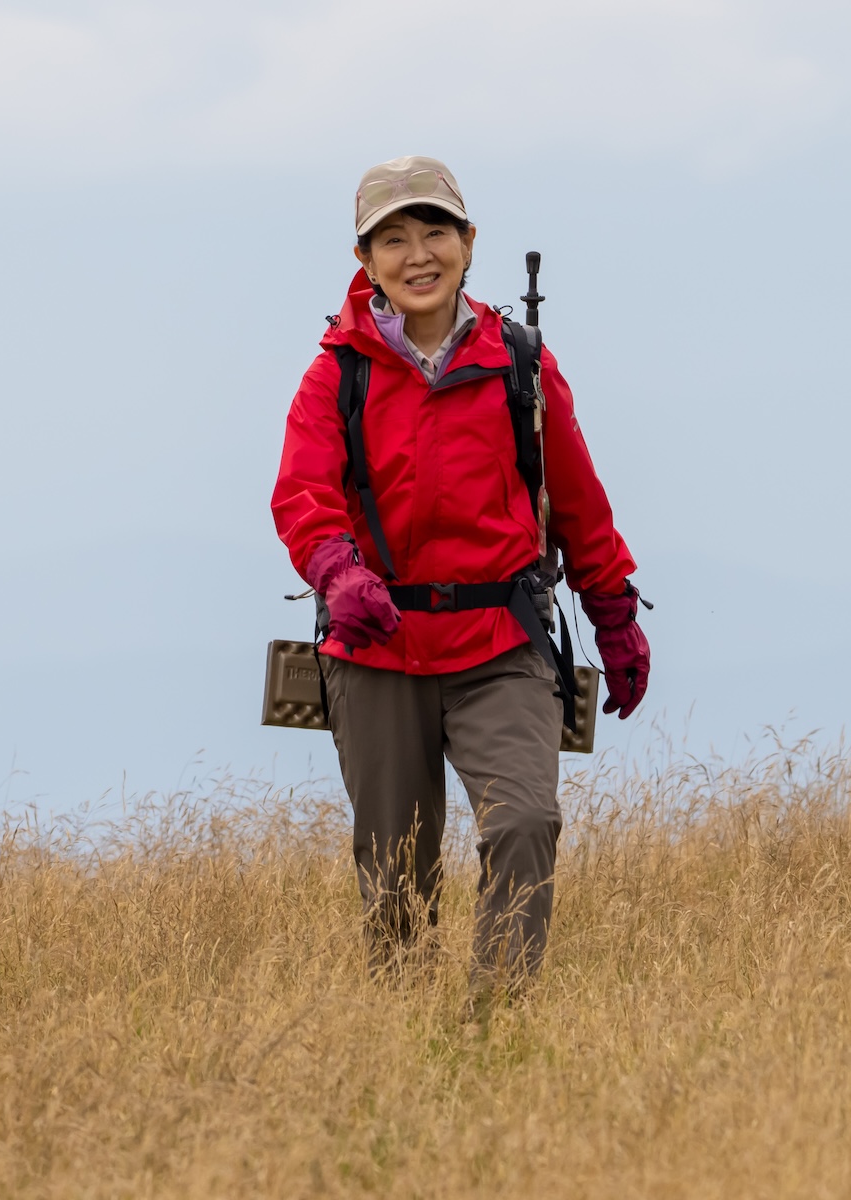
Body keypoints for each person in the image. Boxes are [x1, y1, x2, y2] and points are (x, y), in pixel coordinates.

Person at [271, 155, 648, 994]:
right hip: (377, 648)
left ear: (469, 243)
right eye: (393, 239)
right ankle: (408, 1039)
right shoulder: (336, 374)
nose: (417, 255)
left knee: (525, 825)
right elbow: (301, 496)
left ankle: (493, 1025)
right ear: (365, 260)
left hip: (500, 644)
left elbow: (579, 502)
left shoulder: (523, 365)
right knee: (396, 880)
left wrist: (614, 613)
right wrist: (338, 572)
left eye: (434, 231)